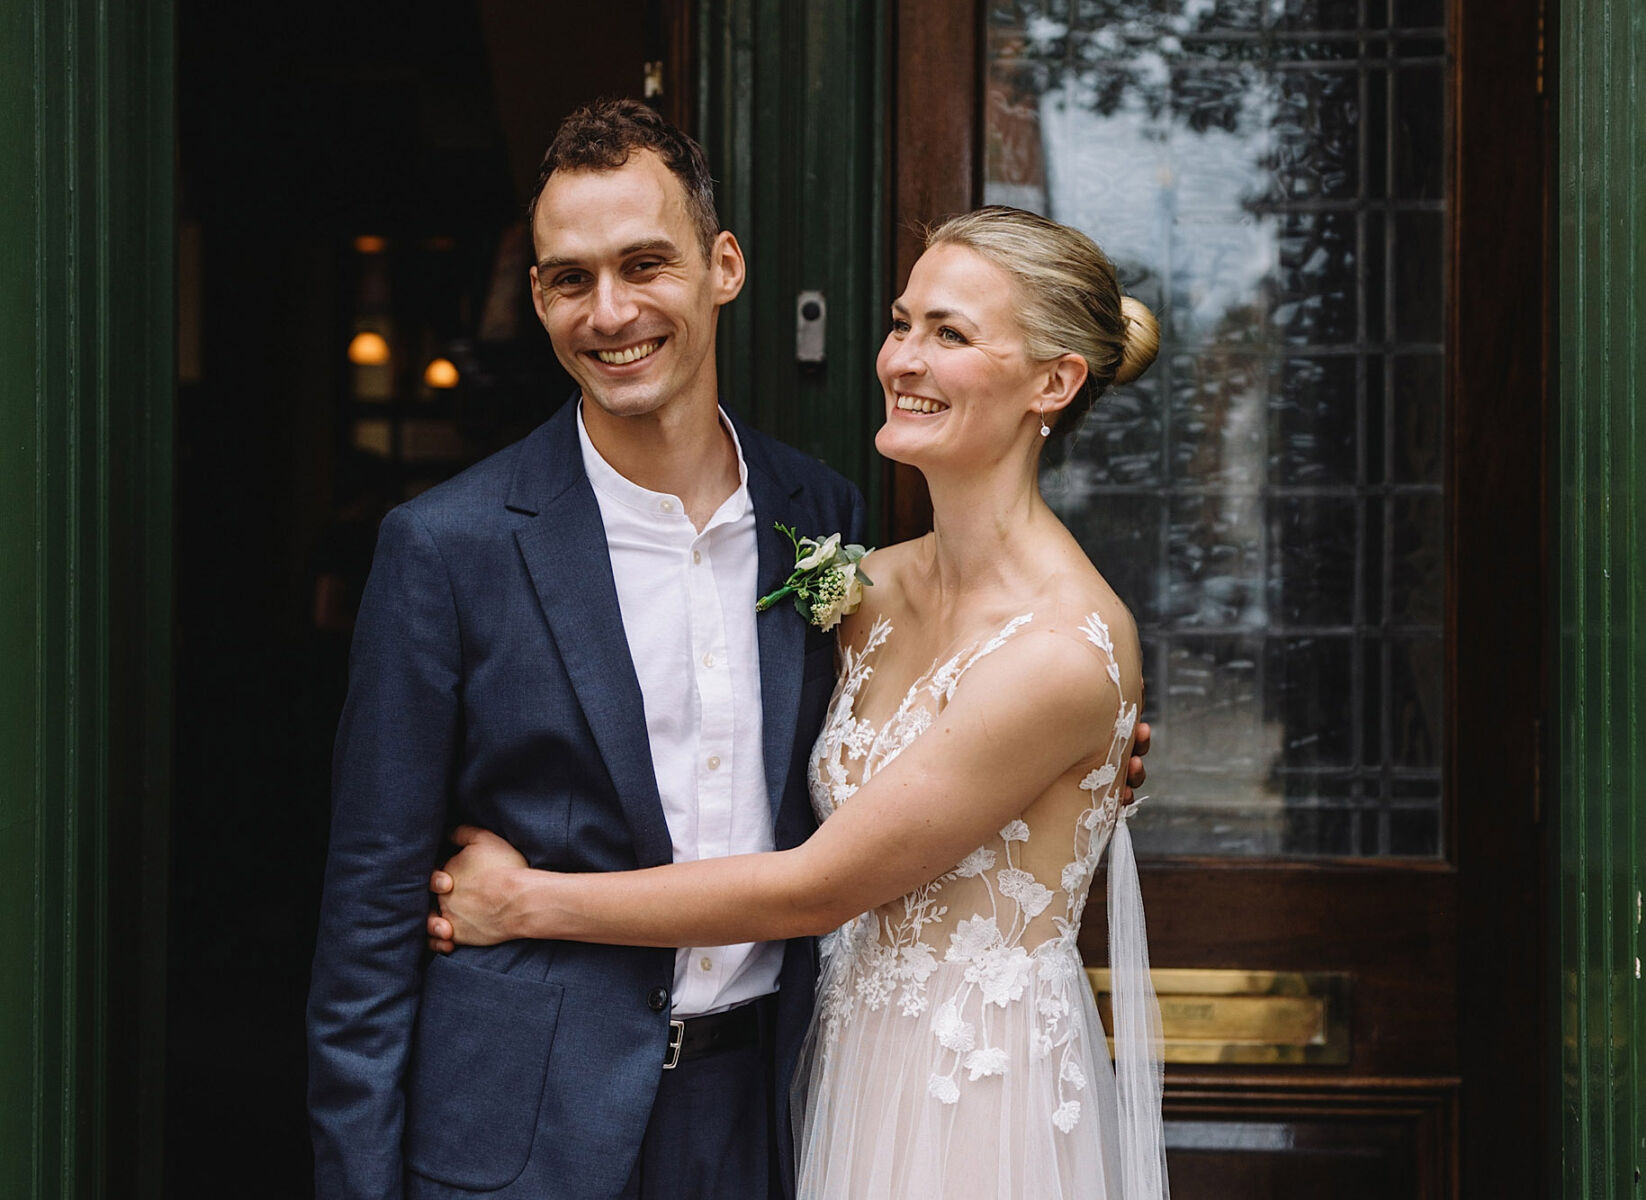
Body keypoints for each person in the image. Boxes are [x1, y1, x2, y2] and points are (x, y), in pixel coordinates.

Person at [305, 98, 1150, 1200]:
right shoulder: (445, 548)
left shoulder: (818, 518)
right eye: (569, 278)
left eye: (645, 264)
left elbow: (999, 719)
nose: (609, 312)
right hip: (519, 1138)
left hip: (776, 1116)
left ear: (726, 267)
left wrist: (1093, 747)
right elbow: (369, 917)